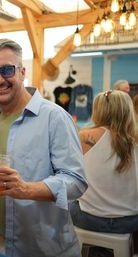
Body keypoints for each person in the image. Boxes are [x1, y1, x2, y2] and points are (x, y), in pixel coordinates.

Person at [0, 38, 87, 257]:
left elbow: (76, 181)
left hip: (40, 246)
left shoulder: (54, 117)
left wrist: (27, 189)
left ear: (22, 72)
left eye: (7, 70)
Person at [70, 90, 138, 252]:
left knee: (68, 201)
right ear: (127, 110)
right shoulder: (134, 139)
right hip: (130, 222)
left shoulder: (85, 136)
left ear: (98, 111)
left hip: (89, 219)